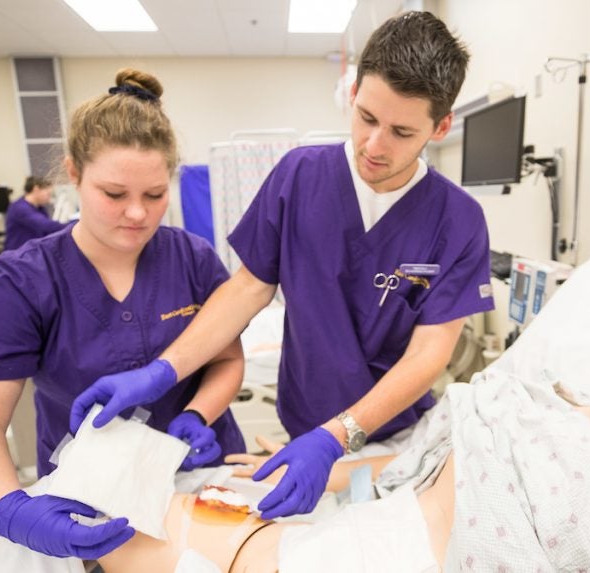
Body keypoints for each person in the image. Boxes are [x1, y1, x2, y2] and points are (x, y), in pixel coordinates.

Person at [70, 11, 495, 521]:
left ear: (441, 126)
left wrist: (340, 437)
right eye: (366, 117)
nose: (374, 146)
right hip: (304, 424)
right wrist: (163, 371)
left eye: (401, 131)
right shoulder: (301, 177)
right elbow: (248, 288)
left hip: (394, 437)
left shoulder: (459, 219)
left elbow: (430, 354)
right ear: (355, 91)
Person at [92, 274, 590, 571]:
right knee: (142, 511)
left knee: (131, 536)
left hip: (400, 558)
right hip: (364, 523)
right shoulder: (534, 401)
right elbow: (424, 463)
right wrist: (319, 462)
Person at [0, 68, 248, 560]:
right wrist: (8, 509)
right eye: (114, 194)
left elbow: (226, 360)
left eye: (154, 195)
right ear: (74, 174)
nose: (138, 215)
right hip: (92, 493)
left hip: (199, 471)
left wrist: (197, 414)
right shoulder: (24, 279)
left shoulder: (192, 257)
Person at [3, 175, 68, 251]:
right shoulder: (19, 208)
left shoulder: (40, 208)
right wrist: (73, 225)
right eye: (48, 194)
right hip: (18, 256)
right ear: (36, 189)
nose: (49, 198)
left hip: (31, 253)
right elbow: (47, 226)